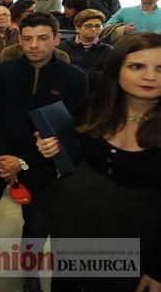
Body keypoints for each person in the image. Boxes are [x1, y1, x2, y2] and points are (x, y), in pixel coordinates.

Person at [0, 12, 88, 292]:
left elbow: (72, 127)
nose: (35, 45)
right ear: (20, 39)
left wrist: (22, 162)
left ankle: (29, 270)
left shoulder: (75, 78)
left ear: (57, 39)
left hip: (43, 165)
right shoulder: (4, 71)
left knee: (36, 222)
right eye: (28, 38)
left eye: (43, 38)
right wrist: (3, 157)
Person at [41, 32, 161, 292]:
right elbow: (76, 154)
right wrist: (52, 149)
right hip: (74, 230)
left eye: (160, 68)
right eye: (137, 66)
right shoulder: (97, 109)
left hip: (131, 245)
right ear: (117, 69)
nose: (150, 76)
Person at [58, 9, 112, 94]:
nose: (94, 29)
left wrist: (76, 69)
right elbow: (61, 75)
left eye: (98, 26)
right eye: (88, 26)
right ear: (78, 28)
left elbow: (107, 78)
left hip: (96, 95)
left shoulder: (108, 50)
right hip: (68, 93)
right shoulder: (63, 47)